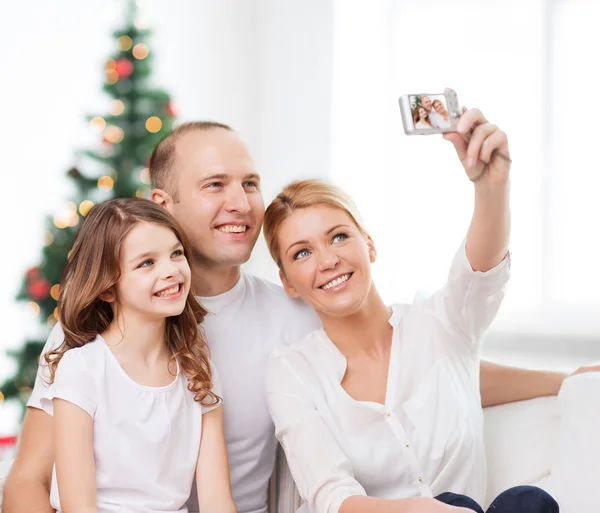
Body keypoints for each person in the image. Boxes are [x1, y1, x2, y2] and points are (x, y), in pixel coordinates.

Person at [4, 120, 592, 513]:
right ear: (165, 204)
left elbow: (420, 366)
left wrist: (565, 382)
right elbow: (29, 480)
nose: (240, 202)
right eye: (214, 185)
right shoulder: (98, 335)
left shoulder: (294, 313)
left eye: (250, 183)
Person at [262, 109, 558, 512]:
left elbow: (479, 275)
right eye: (302, 253)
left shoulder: (440, 326)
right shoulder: (292, 372)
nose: (327, 260)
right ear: (289, 282)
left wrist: (492, 187)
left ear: (369, 245)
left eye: (338, 237)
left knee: (527, 503)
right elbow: (332, 497)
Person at [39, 197, 236, 513]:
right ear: (106, 288)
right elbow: (80, 508)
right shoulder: (82, 369)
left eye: (176, 254)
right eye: (147, 262)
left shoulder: (198, 370)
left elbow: (217, 502)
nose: (171, 270)